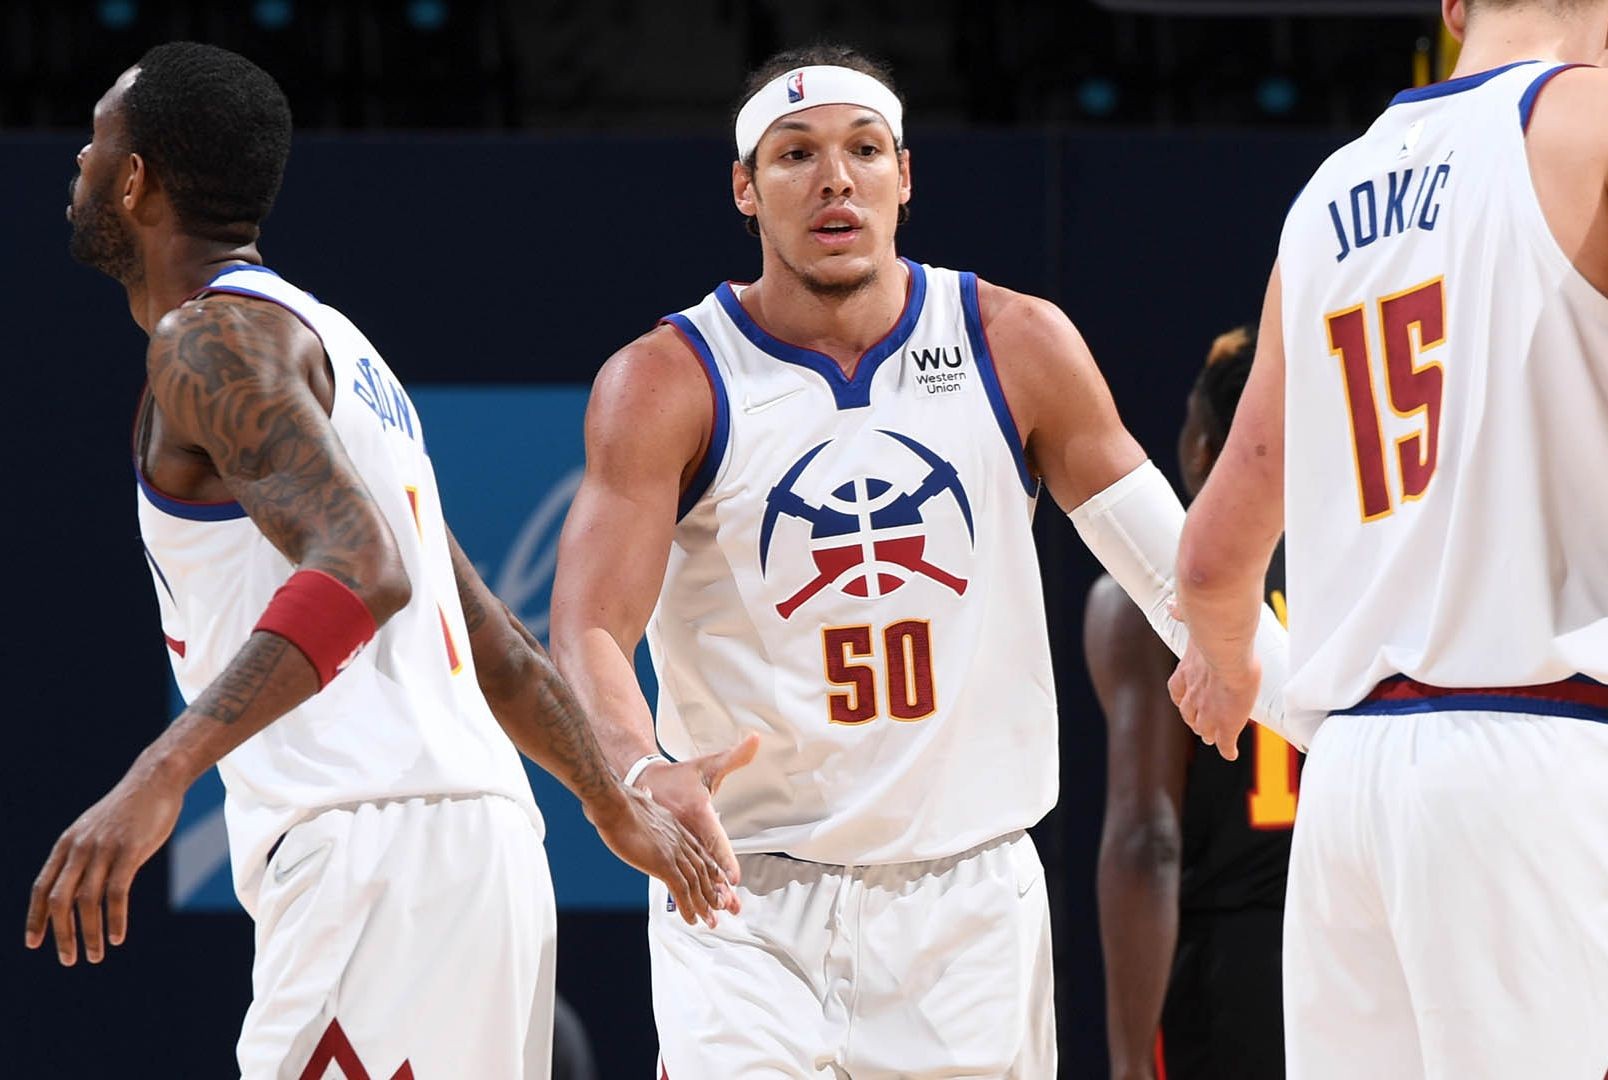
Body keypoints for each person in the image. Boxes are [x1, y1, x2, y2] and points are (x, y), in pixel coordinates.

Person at [549, 44, 1297, 1077]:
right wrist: (638, 769)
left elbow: (1179, 576)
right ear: (744, 188)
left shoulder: (1015, 343)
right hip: (744, 895)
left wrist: (1341, 727)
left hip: (968, 907)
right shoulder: (665, 380)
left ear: (904, 176)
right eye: (795, 154)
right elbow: (589, 626)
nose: (835, 178)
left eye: (863, 149)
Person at [24, 42, 730, 1079]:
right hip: (482, 848)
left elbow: (366, 570)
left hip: (373, 852)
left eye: (95, 143)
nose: (78, 162)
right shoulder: (342, 348)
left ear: (134, 182)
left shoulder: (208, 343)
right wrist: (611, 804)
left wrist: (158, 773)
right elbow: (495, 641)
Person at [1168, 1, 1608, 1076]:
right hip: (1538, 754)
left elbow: (1218, 546)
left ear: (1454, 6)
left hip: (1350, 788)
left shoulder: (1329, 194)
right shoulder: (1587, 124)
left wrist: (1227, 661)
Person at [1087, 327, 1299, 1080]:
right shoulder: (1357, 575)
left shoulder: (1145, 601)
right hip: (1352, 932)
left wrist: (1126, 1060)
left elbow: (1148, 838)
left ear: (1208, 451)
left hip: (1228, 973)